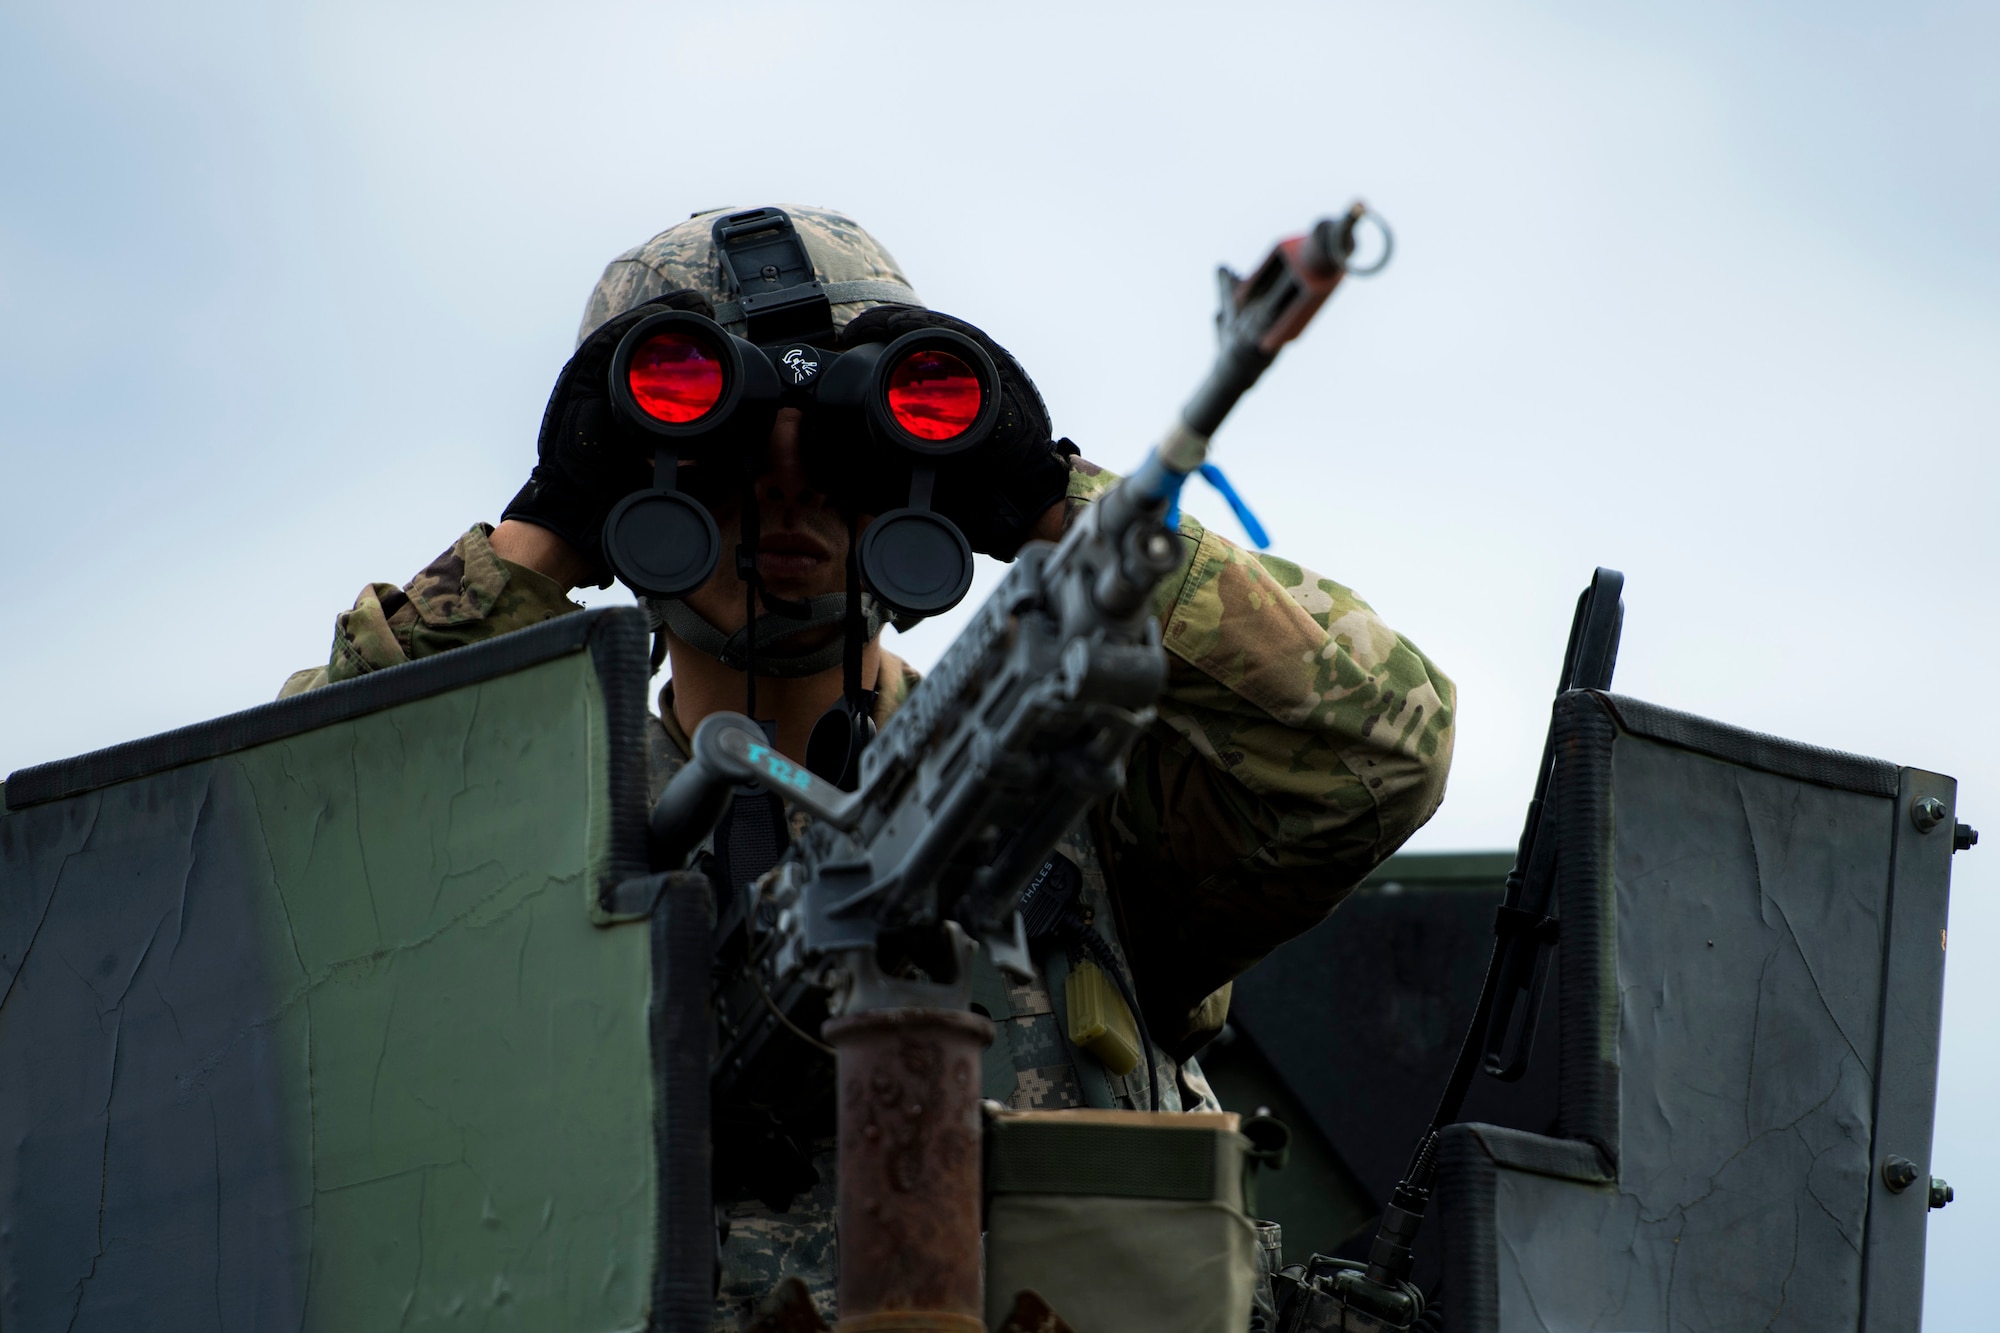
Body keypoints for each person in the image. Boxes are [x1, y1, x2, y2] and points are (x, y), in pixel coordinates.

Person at [282, 204, 1456, 1327]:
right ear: (639, 472)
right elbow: (292, 853)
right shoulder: (515, 836)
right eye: (731, 446)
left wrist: (1049, 503)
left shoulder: (1076, 801)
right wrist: (545, 525)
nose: (789, 489)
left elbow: (1379, 743)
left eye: (841, 448)